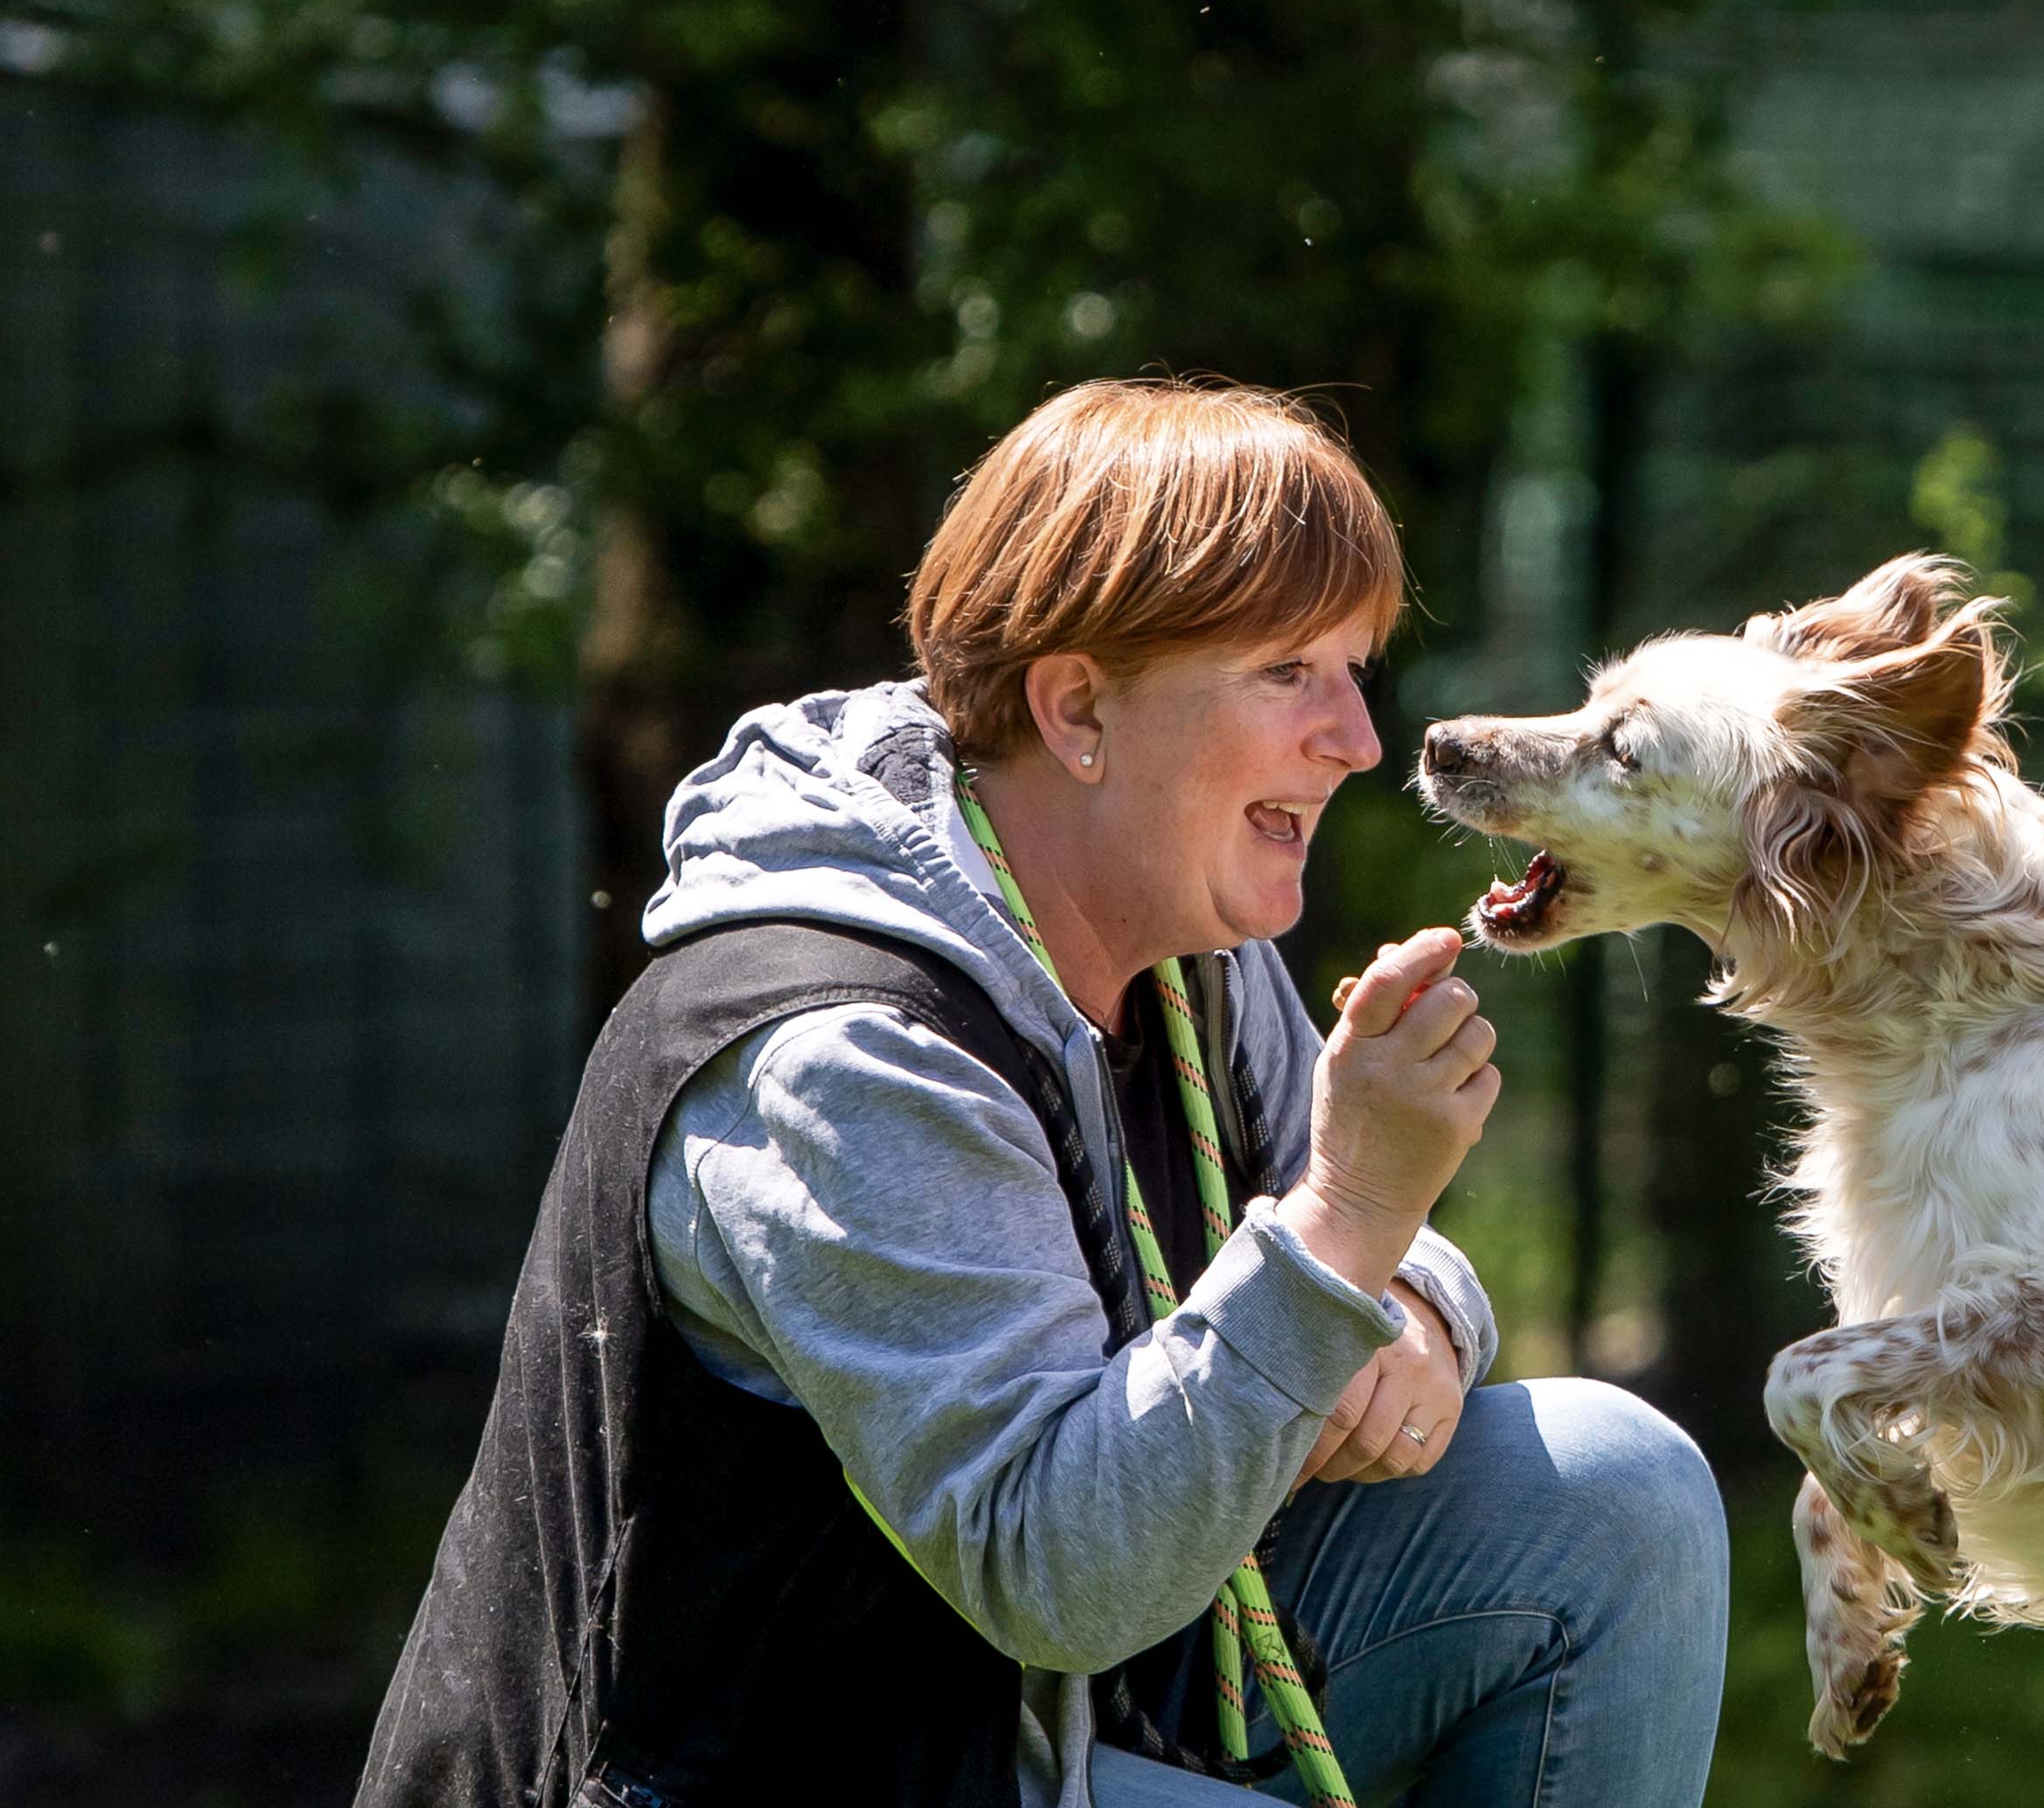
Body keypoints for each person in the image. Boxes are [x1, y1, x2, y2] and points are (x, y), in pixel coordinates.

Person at [356, 380, 1729, 1808]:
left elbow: (1296, 1265)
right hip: (775, 1772)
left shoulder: (1183, 927)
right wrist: (1359, 1212)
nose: (1361, 742)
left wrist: (1420, 1299)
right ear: (1078, 707)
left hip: (1034, 1725)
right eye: (1286, 676)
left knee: (1612, 1490)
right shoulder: (840, 1049)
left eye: (1353, 669)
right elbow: (1061, 1570)